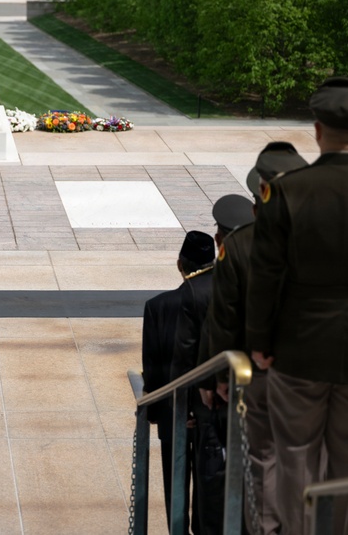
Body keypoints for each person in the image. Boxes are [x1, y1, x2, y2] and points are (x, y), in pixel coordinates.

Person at [246, 78, 348, 535]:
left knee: (296, 455)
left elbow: (265, 277)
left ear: (317, 130)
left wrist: (260, 342)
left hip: (300, 347)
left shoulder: (289, 192)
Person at [206, 143, 307, 535]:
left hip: (261, 374)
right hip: (318, 370)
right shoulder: (325, 237)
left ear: (256, 204)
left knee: (263, 460)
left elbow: (225, 319)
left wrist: (218, 378)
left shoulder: (240, 245)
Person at [141, 229, 215, 534]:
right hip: (213, 411)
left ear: (179, 264)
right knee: (210, 494)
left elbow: (154, 368)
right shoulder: (223, 298)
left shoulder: (158, 307)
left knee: (177, 490)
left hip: (176, 414)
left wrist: (159, 414)